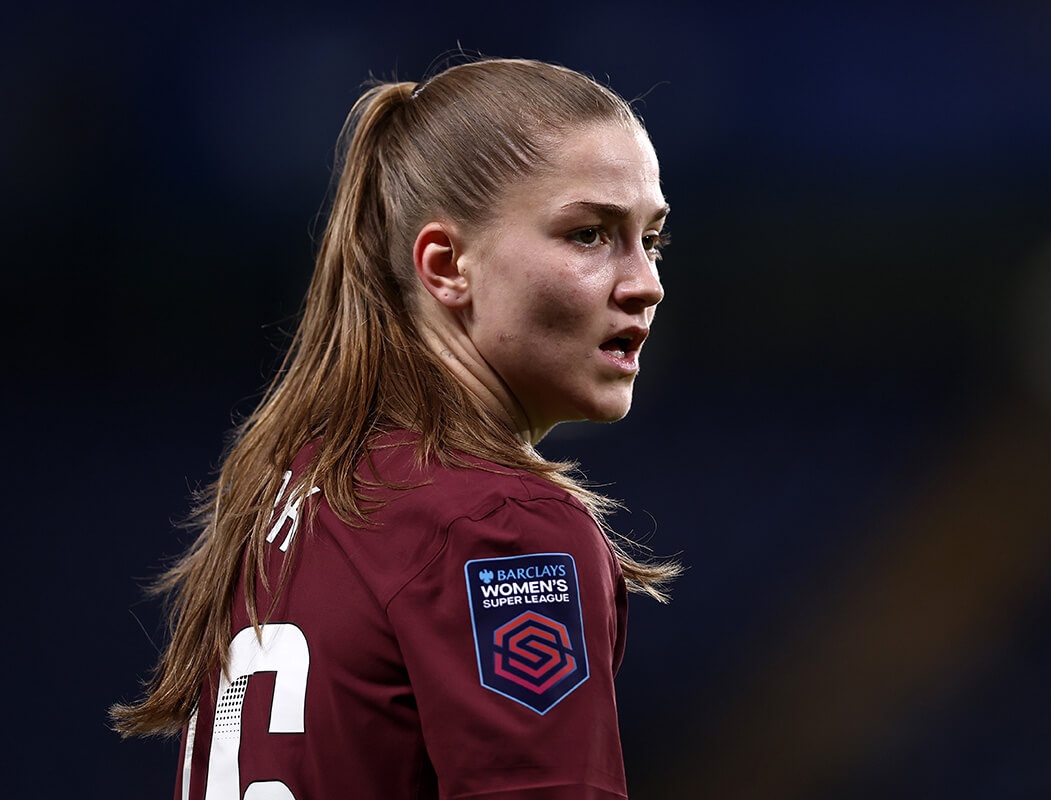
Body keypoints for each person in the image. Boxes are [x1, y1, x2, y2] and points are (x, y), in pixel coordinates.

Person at [111, 58, 678, 799]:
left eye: (652, 240)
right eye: (589, 234)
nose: (646, 283)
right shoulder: (502, 527)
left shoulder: (295, 492)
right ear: (446, 265)